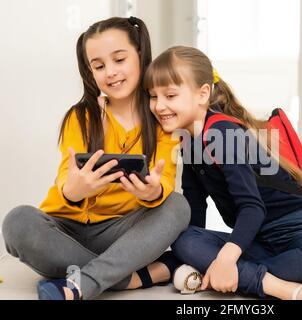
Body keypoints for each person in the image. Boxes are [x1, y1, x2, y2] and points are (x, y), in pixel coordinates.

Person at [2, 17, 190, 300]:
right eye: (99, 66)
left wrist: (154, 192)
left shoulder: (161, 119)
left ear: (140, 54)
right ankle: (129, 276)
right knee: (17, 221)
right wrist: (73, 191)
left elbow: (165, 179)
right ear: (90, 71)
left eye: (119, 60)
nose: (110, 73)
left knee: (177, 204)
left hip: (122, 231)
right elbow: (67, 174)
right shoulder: (81, 117)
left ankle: (83, 283)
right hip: (66, 232)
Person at [144, 46, 302, 300]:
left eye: (170, 95)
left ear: (203, 94)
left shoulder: (223, 134)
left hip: (294, 232)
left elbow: (253, 207)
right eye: (153, 96)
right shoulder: (188, 141)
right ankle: (279, 286)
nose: (158, 106)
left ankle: (230, 275)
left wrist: (225, 258)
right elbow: (196, 208)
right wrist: (191, 252)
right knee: (185, 239)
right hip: (253, 239)